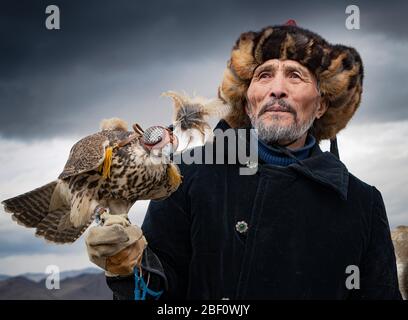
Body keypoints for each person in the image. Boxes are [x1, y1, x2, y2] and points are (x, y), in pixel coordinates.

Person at [85, 21, 402, 300]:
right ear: (247, 102)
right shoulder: (185, 176)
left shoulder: (361, 203)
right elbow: (158, 294)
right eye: (264, 75)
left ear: (321, 105)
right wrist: (129, 271)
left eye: (295, 75)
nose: (277, 89)